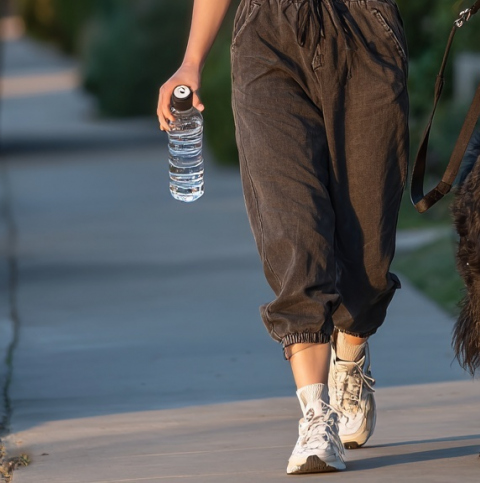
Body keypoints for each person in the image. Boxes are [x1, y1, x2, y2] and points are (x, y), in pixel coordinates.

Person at [157, 0, 408, 475]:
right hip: (267, 37)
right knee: (293, 231)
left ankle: (350, 359)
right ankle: (316, 416)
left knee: (368, 250)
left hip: (365, 29)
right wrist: (191, 61)